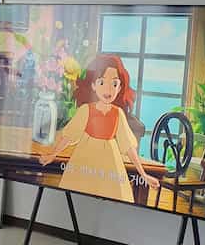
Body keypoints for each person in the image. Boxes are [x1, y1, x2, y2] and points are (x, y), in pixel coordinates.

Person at [39, 53, 159, 200]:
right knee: (75, 197)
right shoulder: (86, 110)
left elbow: (128, 147)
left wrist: (144, 174)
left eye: (114, 83)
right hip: (83, 162)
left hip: (110, 166)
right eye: (102, 82)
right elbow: (69, 136)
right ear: (93, 85)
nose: (108, 89)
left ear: (120, 86)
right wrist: (52, 155)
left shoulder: (118, 114)